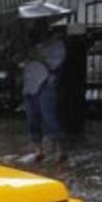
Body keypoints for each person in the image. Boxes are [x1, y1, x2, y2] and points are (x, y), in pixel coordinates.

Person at [21, 19, 66, 162]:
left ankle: (59, 150)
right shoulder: (30, 47)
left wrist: (40, 57)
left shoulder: (56, 45)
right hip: (30, 85)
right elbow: (24, 64)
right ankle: (38, 150)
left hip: (45, 84)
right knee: (32, 119)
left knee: (49, 117)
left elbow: (56, 65)